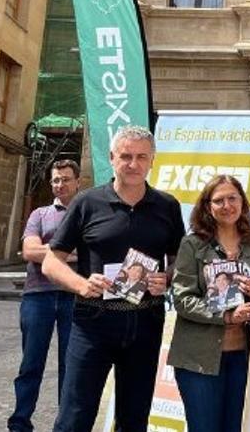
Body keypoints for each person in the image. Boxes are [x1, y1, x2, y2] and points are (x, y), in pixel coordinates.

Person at [43, 126, 183, 432]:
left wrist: (168, 278)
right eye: (126, 156)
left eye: (141, 157)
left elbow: (179, 261)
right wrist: (81, 284)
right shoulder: (86, 202)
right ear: (111, 158)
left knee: (134, 420)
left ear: (152, 160)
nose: (133, 164)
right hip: (93, 322)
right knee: (74, 417)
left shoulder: (167, 206)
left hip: (146, 322)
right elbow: (51, 263)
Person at [169, 174, 250, 432]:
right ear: (207, 206)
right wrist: (227, 316)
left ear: (242, 201)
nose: (227, 205)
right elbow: (183, 299)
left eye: (232, 198)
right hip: (199, 360)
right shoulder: (193, 244)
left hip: (246, 358)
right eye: (219, 200)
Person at [8, 159, 81, 432]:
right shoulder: (39, 214)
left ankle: (66, 425)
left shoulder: (86, 213)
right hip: (37, 295)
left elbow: (89, 253)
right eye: (55, 180)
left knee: (71, 365)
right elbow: (29, 252)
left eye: (64, 179)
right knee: (30, 363)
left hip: (73, 295)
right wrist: (68, 252)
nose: (59, 184)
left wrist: (48, 251)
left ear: (77, 182)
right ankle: (19, 422)